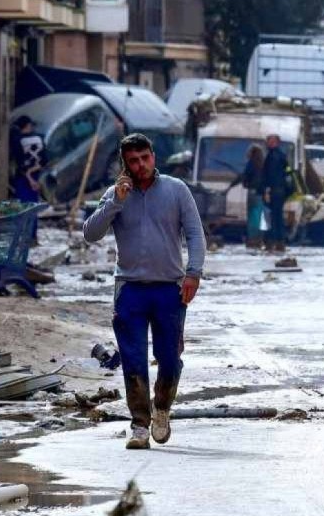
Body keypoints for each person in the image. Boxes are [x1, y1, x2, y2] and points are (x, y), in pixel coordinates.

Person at [83, 133, 206, 449]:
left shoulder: (176, 190)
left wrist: (194, 273)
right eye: (133, 161)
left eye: (145, 158)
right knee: (133, 359)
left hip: (170, 289)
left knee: (169, 358)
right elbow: (90, 234)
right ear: (124, 164)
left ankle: (162, 407)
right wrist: (116, 203)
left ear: (153, 156)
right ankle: (139, 424)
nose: (140, 166)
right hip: (130, 290)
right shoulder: (115, 195)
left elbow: (195, 234)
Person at [228, 144, 266, 249]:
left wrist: (232, 185)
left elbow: (245, 176)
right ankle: (260, 239)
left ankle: (252, 239)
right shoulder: (263, 164)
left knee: (252, 216)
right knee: (259, 216)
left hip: (253, 192)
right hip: (261, 193)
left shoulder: (251, 163)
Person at [261, 134, 291, 252]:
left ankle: (272, 242)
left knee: (271, 217)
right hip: (281, 191)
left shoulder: (273, 156)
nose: (268, 143)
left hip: (274, 191)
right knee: (277, 217)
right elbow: (287, 172)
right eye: (268, 141)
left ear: (276, 142)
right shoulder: (282, 156)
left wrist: (267, 190)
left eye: (271, 141)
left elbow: (271, 175)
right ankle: (280, 242)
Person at [9, 115, 46, 204]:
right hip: (37, 175)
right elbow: (44, 160)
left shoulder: (17, 141)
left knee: (23, 205)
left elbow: (19, 163)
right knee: (34, 205)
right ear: (29, 125)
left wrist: (29, 178)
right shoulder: (40, 138)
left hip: (23, 178)